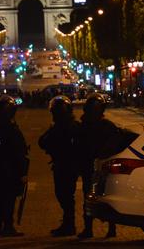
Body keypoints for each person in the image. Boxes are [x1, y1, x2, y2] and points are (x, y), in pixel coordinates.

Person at [76, 93, 120, 238]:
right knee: (99, 197)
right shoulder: (88, 126)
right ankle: (102, 228)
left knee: (98, 197)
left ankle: (100, 228)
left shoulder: (101, 126)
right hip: (93, 166)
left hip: (101, 167)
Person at [38, 95, 81, 237]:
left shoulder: (67, 127)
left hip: (66, 165)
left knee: (65, 195)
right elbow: (43, 141)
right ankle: (69, 223)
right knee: (64, 195)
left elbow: (43, 142)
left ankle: (69, 224)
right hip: (65, 164)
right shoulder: (68, 126)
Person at [0, 95, 29, 237]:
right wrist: (22, 171)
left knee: (2, 196)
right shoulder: (11, 129)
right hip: (11, 169)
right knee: (9, 198)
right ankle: (8, 226)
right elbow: (17, 152)